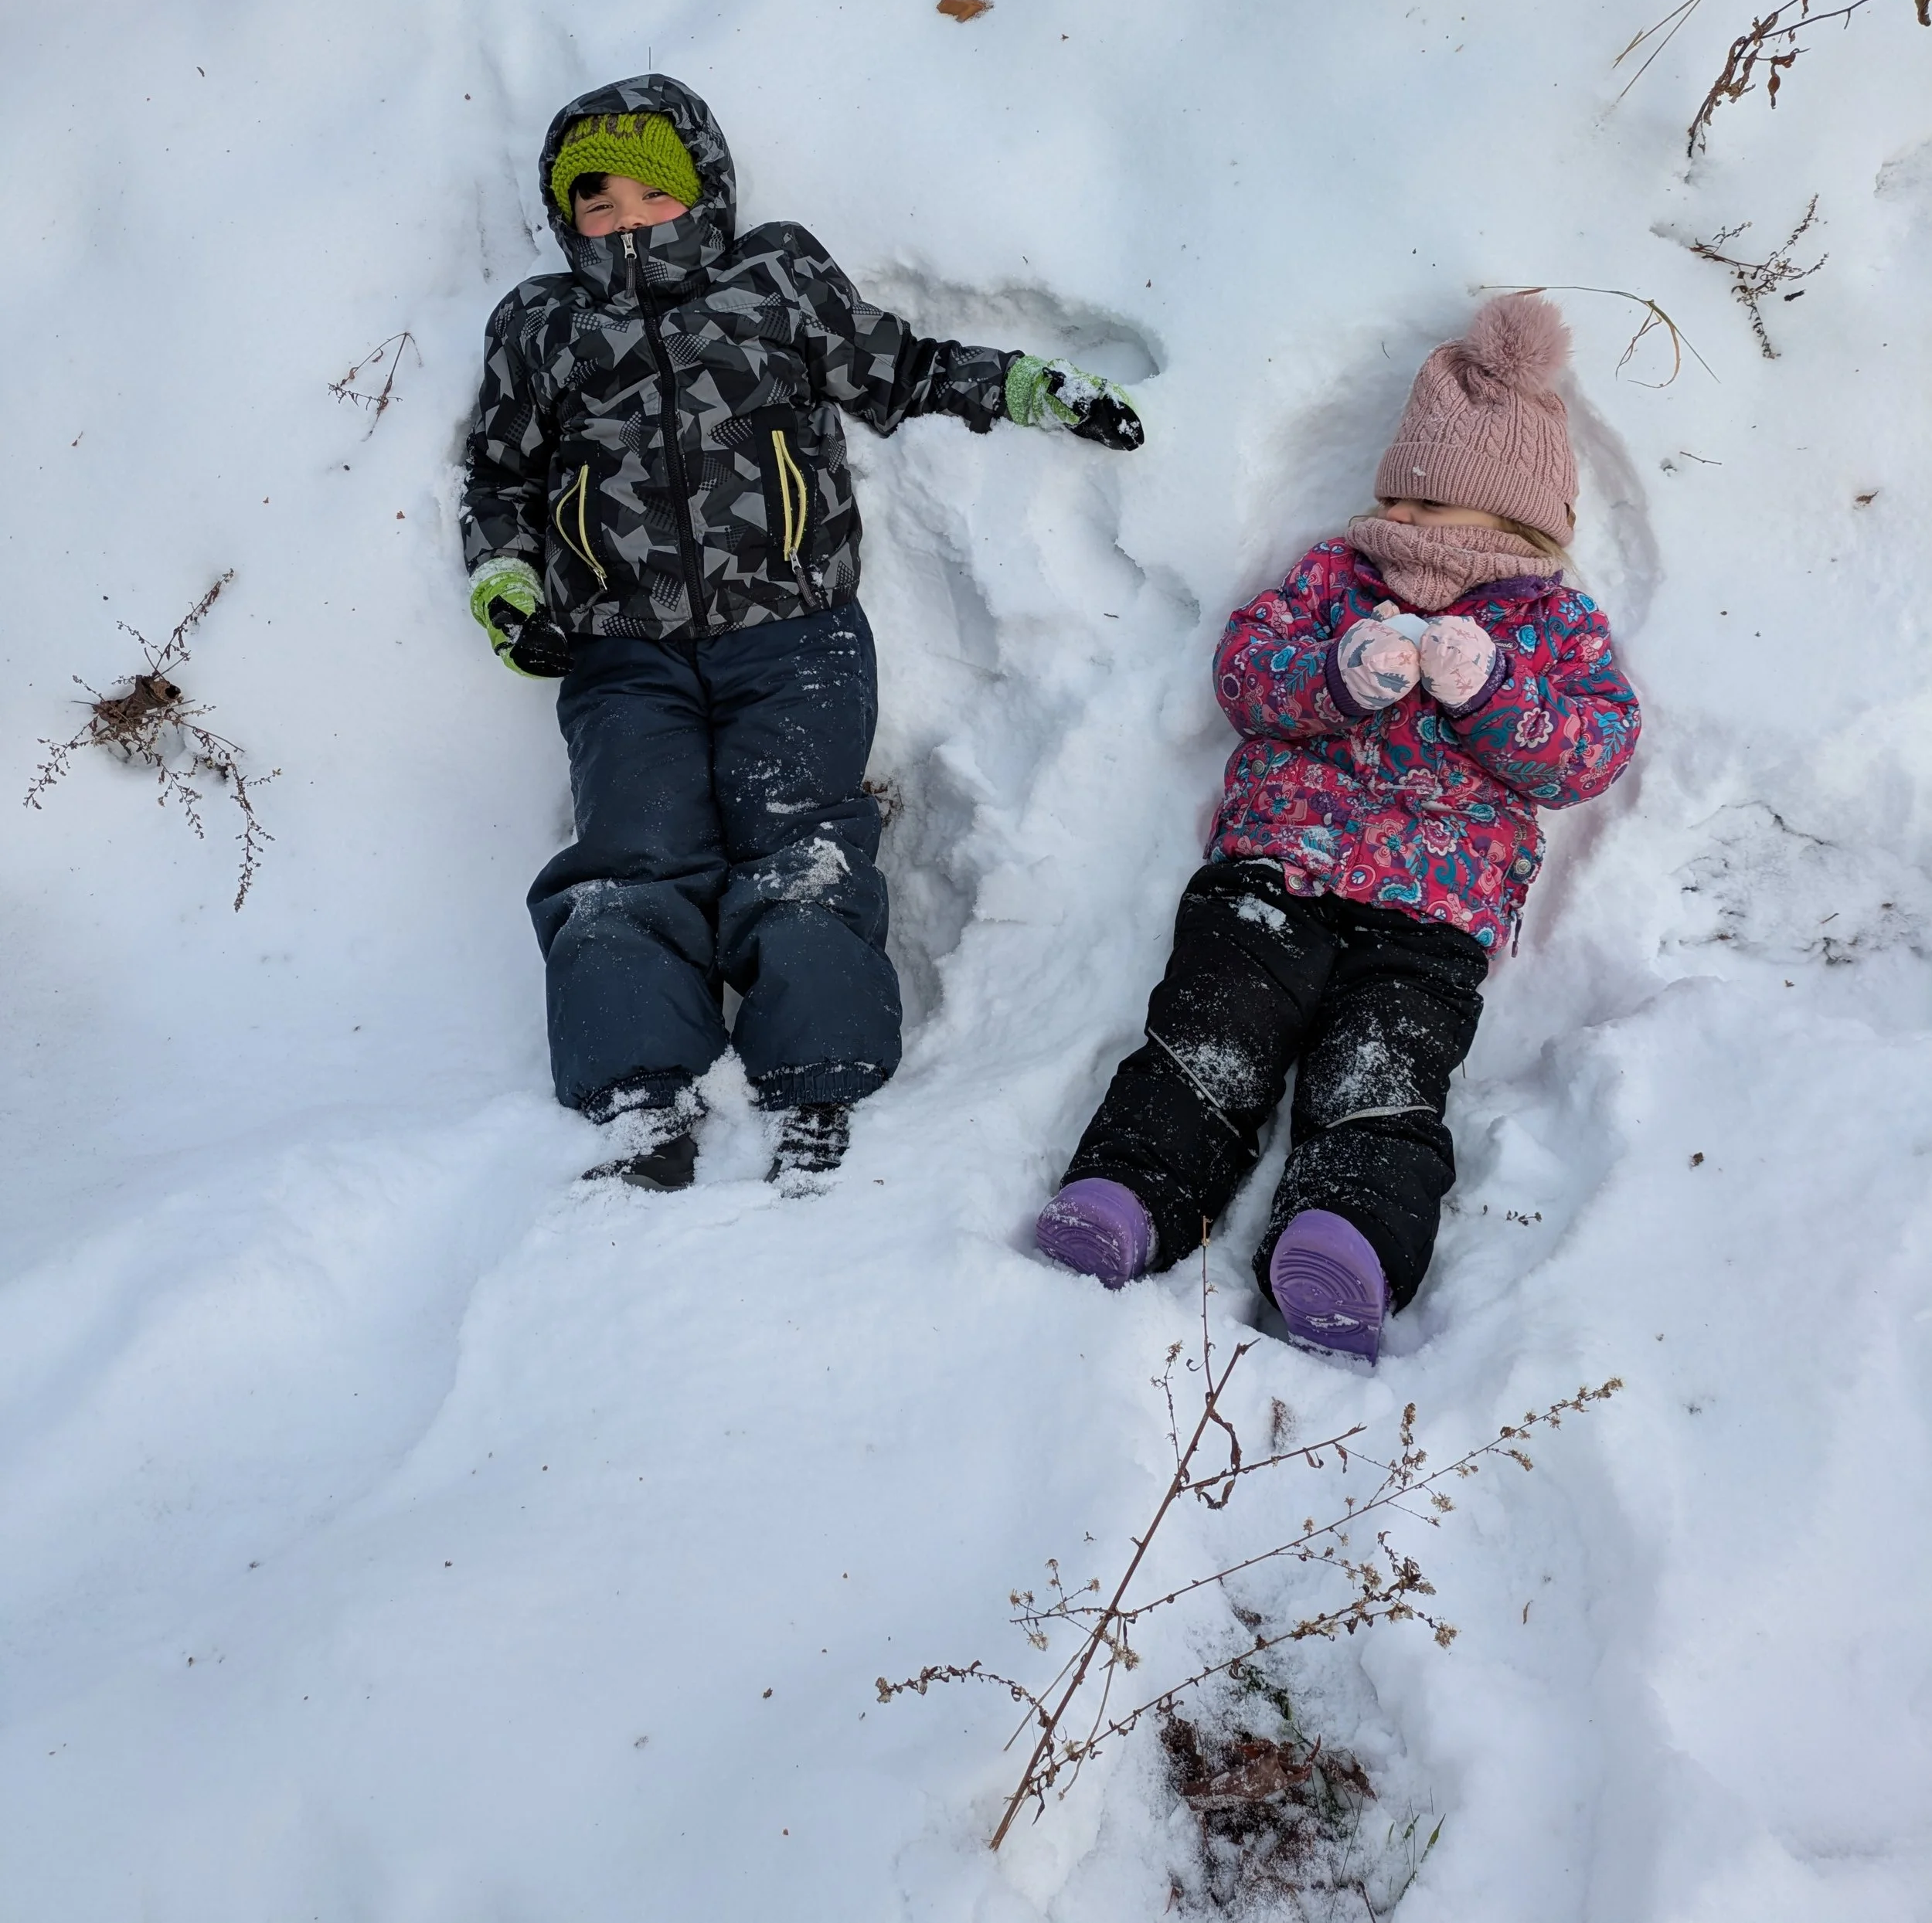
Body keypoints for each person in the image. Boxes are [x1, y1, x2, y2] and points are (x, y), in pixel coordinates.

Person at [461, 73, 1141, 1192]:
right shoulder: (542, 327)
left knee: (801, 839)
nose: (628, 221)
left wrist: (1027, 386)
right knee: (632, 848)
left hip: (795, 632)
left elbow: (899, 366)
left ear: (705, 193)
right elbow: (499, 474)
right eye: (599, 202)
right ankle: (638, 1084)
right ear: (565, 214)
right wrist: (506, 583)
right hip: (621, 649)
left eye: (652, 194)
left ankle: (818, 1067)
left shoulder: (773, 280)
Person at [1032, 292, 1638, 1361]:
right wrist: (1336, 675)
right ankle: (1128, 1194)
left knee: (1386, 1074)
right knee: (1209, 1032)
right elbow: (1245, 678)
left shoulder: (1554, 626)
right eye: (1408, 510)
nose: (1421, 539)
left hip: (1429, 917)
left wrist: (1492, 691)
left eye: (1458, 521)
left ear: (1526, 531)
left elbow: (1589, 752)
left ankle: (1343, 1239)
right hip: (1276, 875)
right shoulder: (1331, 579)